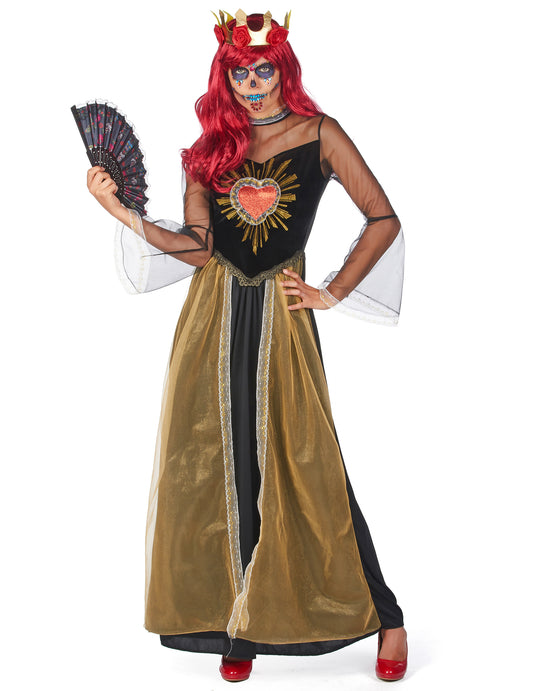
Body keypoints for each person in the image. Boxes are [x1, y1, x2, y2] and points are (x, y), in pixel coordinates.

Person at [86, 10, 408, 683]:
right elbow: (197, 249)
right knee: (225, 463)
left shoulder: (319, 134)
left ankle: (388, 616)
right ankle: (241, 619)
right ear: (224, 78)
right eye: (240, 74)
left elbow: (382, 218)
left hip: (283, 322)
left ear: (283, 70)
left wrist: (330, 291)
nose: (253, 85)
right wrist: (122, 213)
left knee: (308, 463)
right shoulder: (208, 151)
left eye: (264, 70)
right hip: (214, 317)